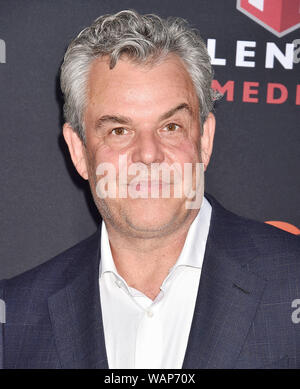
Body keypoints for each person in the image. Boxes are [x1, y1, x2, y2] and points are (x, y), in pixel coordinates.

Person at [1, 9, 299, 369]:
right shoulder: (15, 320)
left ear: (204, 140)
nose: (148, 154)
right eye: (118, 131)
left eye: (171, 126)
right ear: (79, 151)